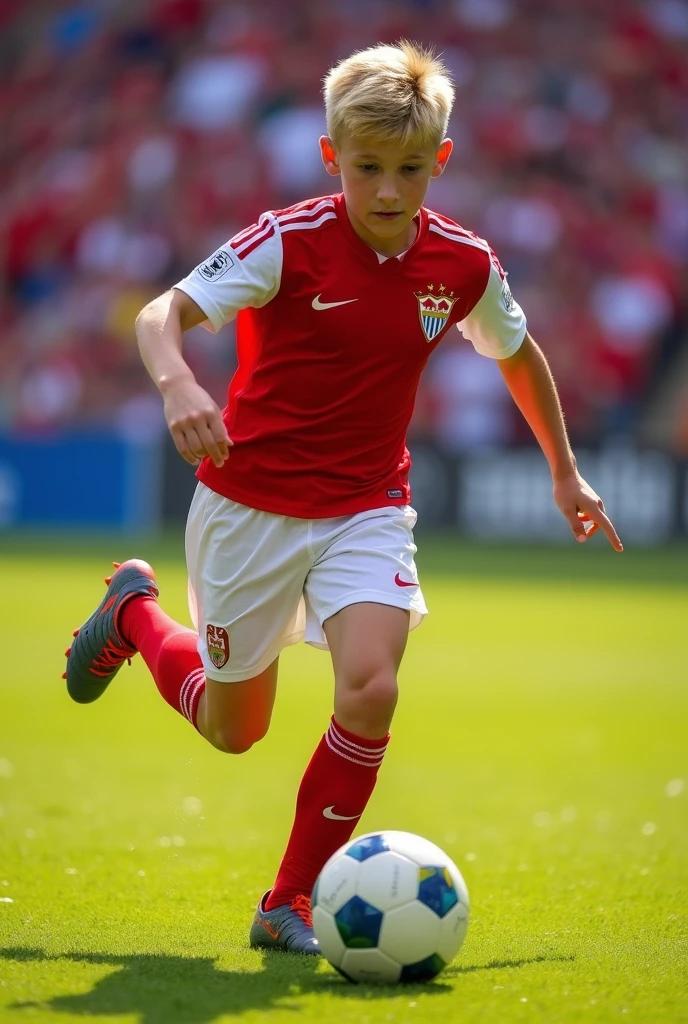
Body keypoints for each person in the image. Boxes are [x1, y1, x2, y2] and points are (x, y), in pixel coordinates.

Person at [63, 41, 623, 955]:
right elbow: (162, 313)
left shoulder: (465, 264)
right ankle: (134, 614)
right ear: (333, 158)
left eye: (410, 169)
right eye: (368, 169)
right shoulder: (288, 241)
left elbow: (518, 352)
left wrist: (564, 470)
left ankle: (286, 902)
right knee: (231, 729)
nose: (390, 191)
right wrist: (177, 385)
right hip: (250, 509)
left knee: (371, 689)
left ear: (440, 160)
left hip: (368, 507)